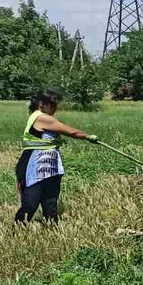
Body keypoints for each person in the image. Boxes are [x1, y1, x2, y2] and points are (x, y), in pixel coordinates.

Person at [15, 89, 98, 224]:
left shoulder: (44, 116)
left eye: (56, 105)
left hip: (50, 164)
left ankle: (51, 229)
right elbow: (71, 132)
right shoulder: (41, 117)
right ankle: (18, 230)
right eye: (52, 105)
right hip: (33, 163)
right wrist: (88, 137)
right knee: (31, 201)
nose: (55, 108)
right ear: (41, 104)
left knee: (50, 201)